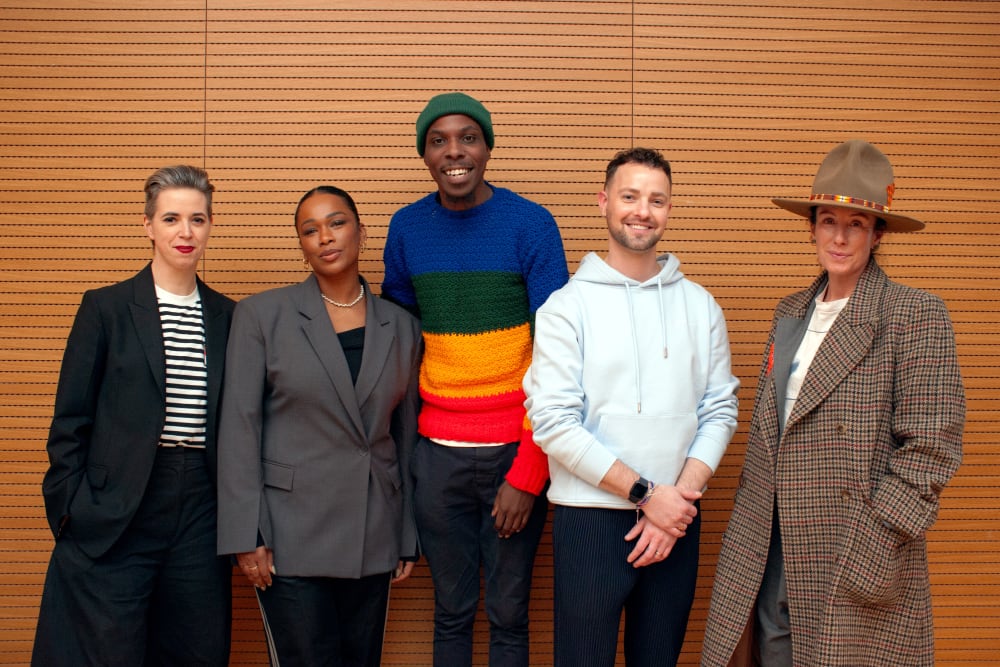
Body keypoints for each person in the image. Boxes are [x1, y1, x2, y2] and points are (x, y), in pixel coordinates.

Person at [701, 140, 966, 667]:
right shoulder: (791, 312)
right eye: (828, 221)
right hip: (770, 540)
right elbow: (770, 434)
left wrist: (875, 538)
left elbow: (931, 448)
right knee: (770, 649)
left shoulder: (914, 313)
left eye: (857, 223)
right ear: (812, 226)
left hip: (854, 543)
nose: (840, 237)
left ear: (878, 232)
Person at [522, 147, 739, 667]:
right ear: (603, 202)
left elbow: (719, 409)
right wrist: (645, 494)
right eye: (630, 196)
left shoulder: (700, 305)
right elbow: (552, 423)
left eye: (657, 199)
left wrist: (675, 503)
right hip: (590, 519)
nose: (643, 210)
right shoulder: (565, 308)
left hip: (677, 520)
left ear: (668, 210)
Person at [381, 91, 569, 666]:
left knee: (509, 617)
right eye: (439, 141)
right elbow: (400, 348)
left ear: (487, 147)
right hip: (438, 459)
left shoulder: (531, 225)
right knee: (451, 612)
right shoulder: (408, 228)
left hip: (516, 449)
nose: (454, 151)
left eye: (468, 137)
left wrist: (530, 471)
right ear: (424, 154)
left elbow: (562, 357)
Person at [32, 165, 234, 666]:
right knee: (108, 649)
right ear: (148, 226)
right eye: (171, 218)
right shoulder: (106, 308)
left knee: (195, 647)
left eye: (197, 219)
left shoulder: (231, 317)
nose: (185, 232)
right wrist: (71, 509)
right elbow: (70, 421)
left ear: (211, 225)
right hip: (118, 504)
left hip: (200, 511)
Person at [216, 185, 422, 667]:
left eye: (336, 223)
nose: (325, 237)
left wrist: (406, 532)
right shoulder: (262, 316)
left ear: (362, 232)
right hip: (288, 539)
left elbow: (407, 437)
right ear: (302, 245)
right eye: (310, 230)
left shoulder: (403, 326)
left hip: (373, 532)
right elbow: (239, 430)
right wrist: (246, 535)